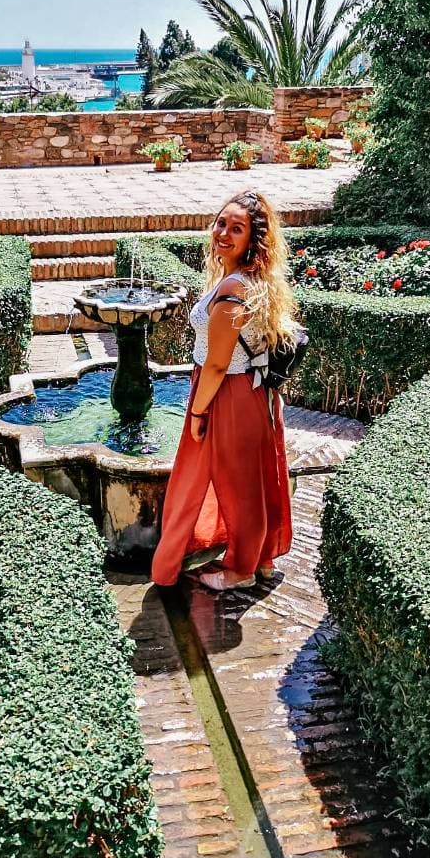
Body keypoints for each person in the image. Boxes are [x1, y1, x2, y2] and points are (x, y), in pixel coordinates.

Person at [151, 190, 296, 592]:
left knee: (237, 488)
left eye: (237, 229)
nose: (224, 234)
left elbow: (216, 363)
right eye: (221, 224)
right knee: (254, 479)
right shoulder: (249, 279)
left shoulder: (234, 290)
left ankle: (241, 571)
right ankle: (261, 559)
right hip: (249, 393)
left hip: (227, 393)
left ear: (255, 239)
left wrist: (197, 413)